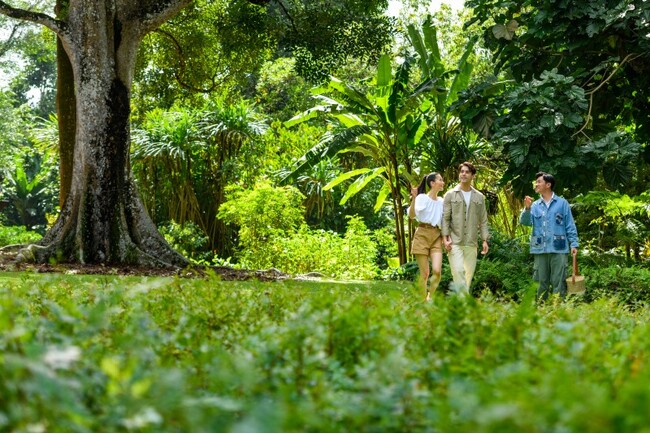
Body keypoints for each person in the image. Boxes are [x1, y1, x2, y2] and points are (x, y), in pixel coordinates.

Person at [520, 171, 578, 300]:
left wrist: (574, 243)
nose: (536, 184)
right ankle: (542, 311)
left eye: (539, 182)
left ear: (548, 184)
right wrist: (527, 209)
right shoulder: (534, 205)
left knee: (559, 282)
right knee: (540, 282)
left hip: (559, 248)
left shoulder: (562, 203)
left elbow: (570, 224)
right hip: (539, 248)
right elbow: (525, 222)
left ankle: (558, 311)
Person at [442, 162, 490, 295]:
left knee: (468, 276)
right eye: (461, 171)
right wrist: (445, 238)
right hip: (454, 241)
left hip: (471, 242)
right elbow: (445, 218)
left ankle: (460, 304)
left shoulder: (479, 197)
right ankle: (465, 304)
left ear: (472, 175)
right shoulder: (450, 194)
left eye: (467, 172)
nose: (463, 174)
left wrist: (485, 240)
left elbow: (483, 220)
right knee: (458, 271)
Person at [409, 172, 445, 301]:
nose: (443, 182)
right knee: (425, 274)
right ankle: (422, 301)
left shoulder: (442, 201)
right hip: (422, 234)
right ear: (432, 183)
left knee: (437, 272)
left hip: (436, 235)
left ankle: (430, 297)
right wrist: (414, 198)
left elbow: (446, 220)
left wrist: (446, 238)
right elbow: (412, 215)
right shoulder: (422, 198)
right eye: (440, 180)